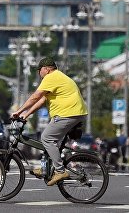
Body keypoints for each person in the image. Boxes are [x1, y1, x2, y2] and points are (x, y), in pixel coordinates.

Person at [11, 56, 87, 186]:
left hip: (68, 113)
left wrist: (19, 111)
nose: (39, 73)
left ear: (46, 69)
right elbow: (42, 101)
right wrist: (26, 114)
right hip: (71, 113)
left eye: (39, 70)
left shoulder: (51, 77)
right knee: (48, 140)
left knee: (46, 138)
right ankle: (45, 167)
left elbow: (35, 97)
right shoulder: (57, 77)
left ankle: (60, 171)